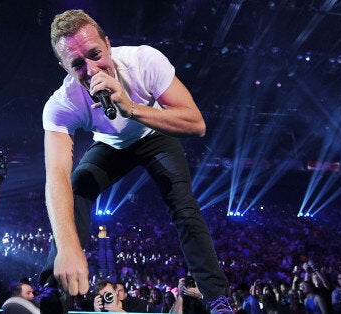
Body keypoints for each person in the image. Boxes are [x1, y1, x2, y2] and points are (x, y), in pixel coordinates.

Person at [39, 9, 231, 313]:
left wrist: (130, 108)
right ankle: (50, 294)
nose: (90, 69)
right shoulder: (61, 103)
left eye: (95, 54)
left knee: (183, 204)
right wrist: (68, 247)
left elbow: (196, 123)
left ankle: (218, 298)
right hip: (111, 146)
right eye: (77, 64)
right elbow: (56, 175)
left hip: (154, 133)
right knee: (75, 189)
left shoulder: (145, 61)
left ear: (108, 43)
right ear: (64, 66)